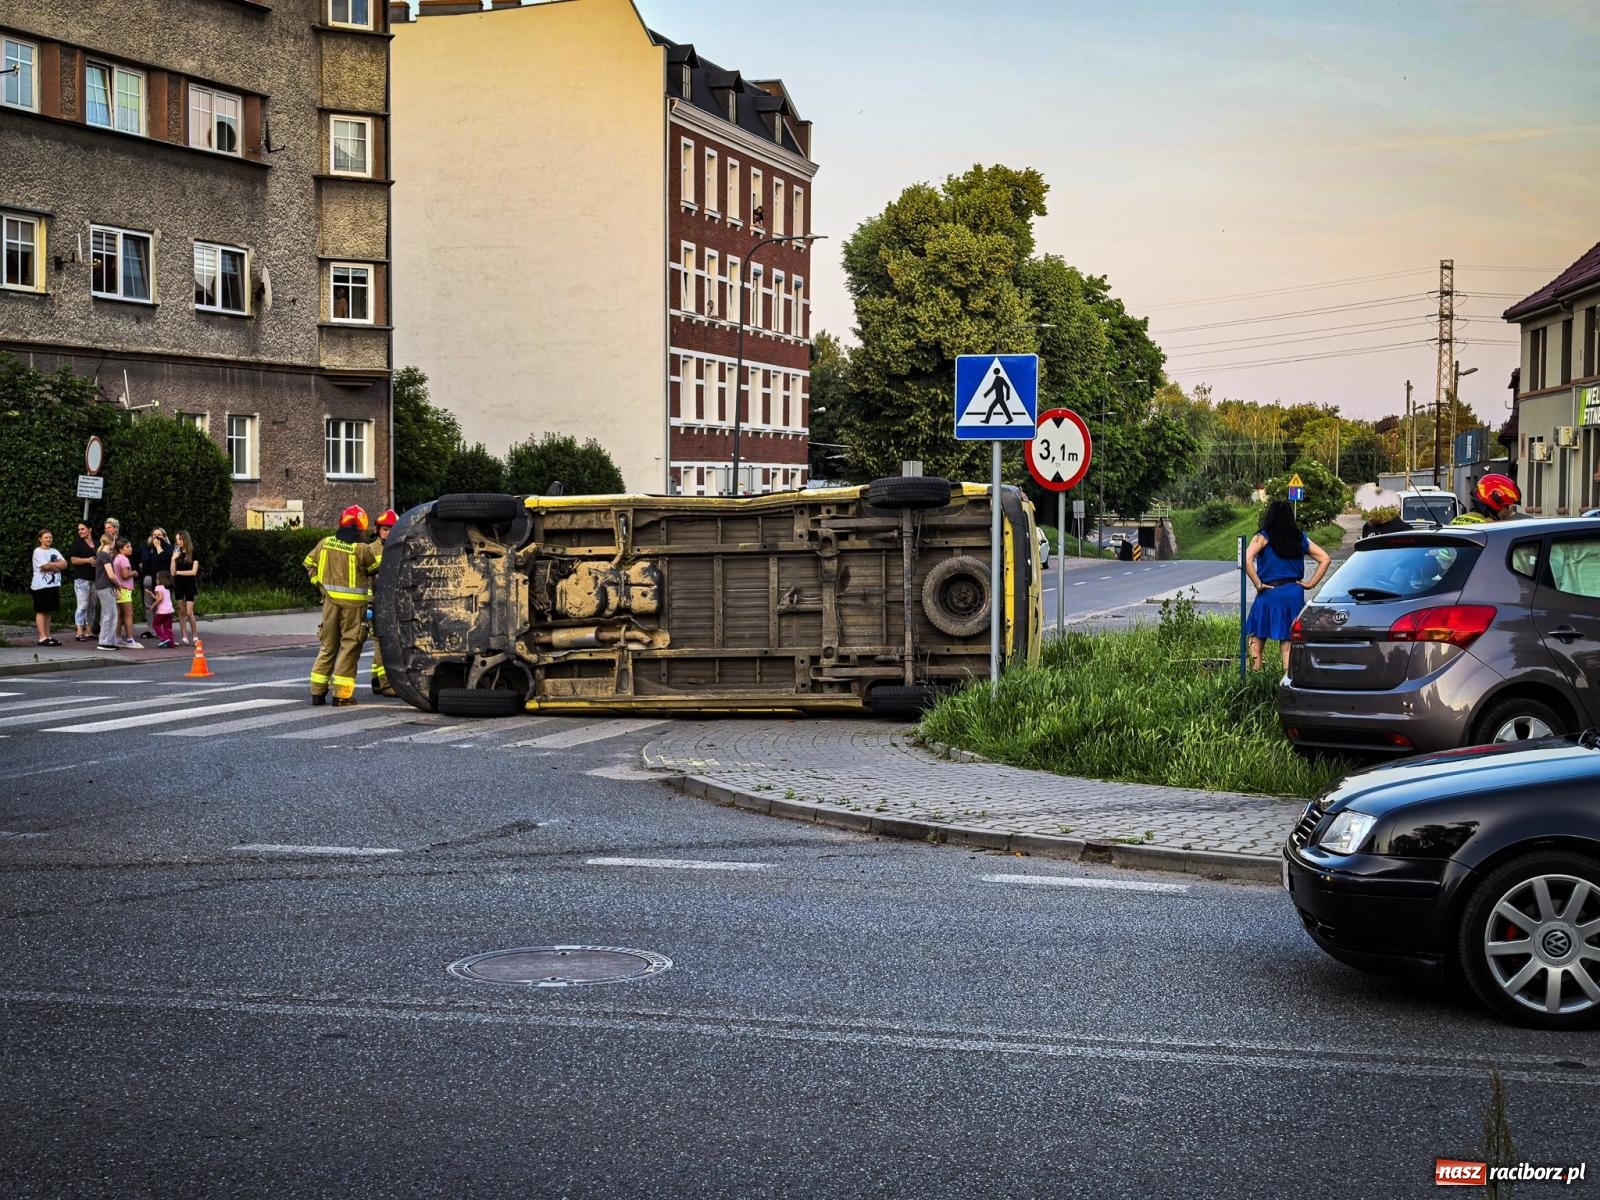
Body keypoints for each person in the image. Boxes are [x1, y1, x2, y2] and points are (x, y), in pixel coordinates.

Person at [303, 505, 379, 706]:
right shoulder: (361, 549)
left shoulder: (325, 544)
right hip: (354, 608)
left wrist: (319, 582)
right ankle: (342, 696)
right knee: (349, 647)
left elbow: (308, 563)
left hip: (329, 604)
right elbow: (373, 569)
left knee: (328, 646)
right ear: (361, 526)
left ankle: (317, 693)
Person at [1245, 500, 1332, 673]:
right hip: (1294, 594)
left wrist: (1258, 584)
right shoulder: (1300, 538)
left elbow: (1246, 559)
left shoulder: (1263, 536)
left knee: (1256, 642)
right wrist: (1310, 584)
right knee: (1288, 644)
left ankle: (1255, 682)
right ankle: (1288, 683)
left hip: (1269, 593)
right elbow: (1325, 558)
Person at [369, 508, 399, 697]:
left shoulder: (400, 549)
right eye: (385, 529)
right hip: (378, 604)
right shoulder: (371, 550)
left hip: (393, 603)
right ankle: (386, 684)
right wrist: (370, 605)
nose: (387, 532)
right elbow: (367, 580)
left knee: (382, 643)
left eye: (391, 529)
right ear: (378, 530)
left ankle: (376, 680)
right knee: (381, 643)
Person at [30, 529, 66, 646]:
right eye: (46, 537)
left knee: (49, 611)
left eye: (50, 537)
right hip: (41, 586)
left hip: (53, 584)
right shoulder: (38, 551)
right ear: (40, 539)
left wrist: (51, 565)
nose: (49, 539)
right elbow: (44, 567)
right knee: (41, 610)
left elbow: (64, 565)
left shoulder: (54, 550)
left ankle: (48, 636)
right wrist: (56, 565)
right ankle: (42, 637)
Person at [1451, 473, 1524, 525]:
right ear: (1495, 504)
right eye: (1507, 506)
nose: (1508, 511)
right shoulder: (1490, 528)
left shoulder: (1455, 521)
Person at [139, 528, 171, 638]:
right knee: (149, 606)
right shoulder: (146, 547)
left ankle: (160, 629)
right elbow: (139, 558)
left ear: (164, 536)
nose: (156, 537)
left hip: (161, 581)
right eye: (154, 535)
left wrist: (158, 547)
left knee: (160, 605)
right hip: (148, 580)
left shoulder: (168, 548)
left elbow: (165, 560)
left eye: (159, 535)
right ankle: (151, 629)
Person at [68, 521, 97, 641]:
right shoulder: (77, 544)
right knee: (82, 605)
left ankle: (89, 631)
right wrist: (88, 560)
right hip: (81, 578)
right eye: (79, 529)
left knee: (92, 605)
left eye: (83, 529)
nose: (80, 531)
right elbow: (73, 560)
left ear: (90, 529)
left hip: (95, 578)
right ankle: (79, 631)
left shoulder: (97, 543)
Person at [112, 536, 142, 649]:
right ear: (121, 549)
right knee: (129, 615)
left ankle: (117, 638)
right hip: (125, 590)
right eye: (127, 547)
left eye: (130, 546)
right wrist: (133, 573)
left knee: (119, 616)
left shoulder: (116, 558)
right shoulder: (124, 559)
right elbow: (125, 575)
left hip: (118, 590)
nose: (130, 548)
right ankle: (130, 640)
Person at [170, 531, 200, 645]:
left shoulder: (193, 552)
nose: (178, 542)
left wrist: (179, 572)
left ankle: (195, 636)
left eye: (180, 539)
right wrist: (173, 559)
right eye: (177, 539)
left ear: (185, 539)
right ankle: (184, 636)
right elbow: (172, 572)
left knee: (189, 611)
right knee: (181, 610)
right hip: (178, 584)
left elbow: (193, 572)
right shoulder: (176, 553)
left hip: (189, 584)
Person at [93, 530, 120, 650]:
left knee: (107, 614)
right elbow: (111, 575)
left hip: (101, 587)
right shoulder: (105, 556)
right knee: (111, 614)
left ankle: (107, 641)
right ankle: (105, 642)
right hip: (105, 587)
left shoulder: (101, 554)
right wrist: (118, 585)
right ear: (111, 542)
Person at [151, 571, 177, 648]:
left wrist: (153, 606)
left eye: (157, 578)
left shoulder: (158, 587)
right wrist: (153, 596)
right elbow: (162, 598)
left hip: (162, 611)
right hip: (169, 611)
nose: (156, 580)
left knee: (156, 624)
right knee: (168, 627)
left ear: (159, 579)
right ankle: (171, 642)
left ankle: (164, 638)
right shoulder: (167, 588)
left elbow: (160, 599)